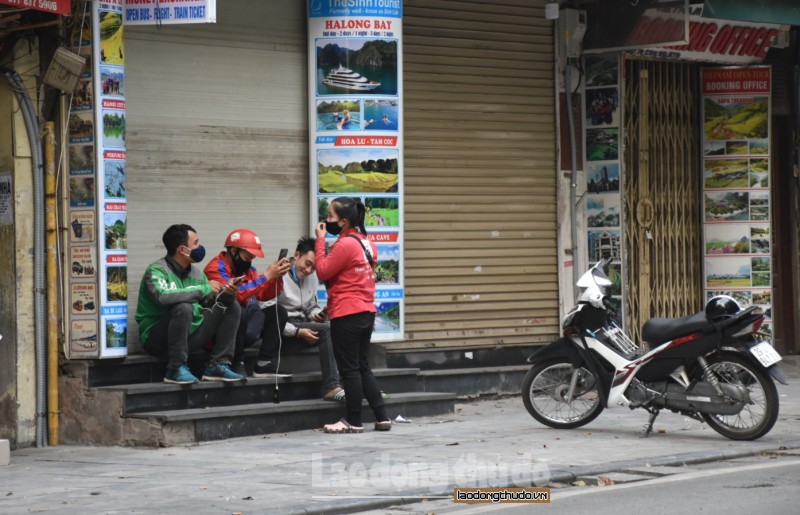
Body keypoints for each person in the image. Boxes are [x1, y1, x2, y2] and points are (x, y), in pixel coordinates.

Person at [315, 197, 391, 433]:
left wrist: (320, 241)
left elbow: (323, 271)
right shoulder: (367, 243)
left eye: (330, 217)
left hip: (348, 315)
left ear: (344, 221)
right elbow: (352, 280)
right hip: (365, 311)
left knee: (349, 370)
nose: (327, 221)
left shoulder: (345, 244)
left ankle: (353, 421)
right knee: (362, 366)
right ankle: (382, 416)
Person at [135, 224, 244, 384]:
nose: (200, 247)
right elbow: (162, 297)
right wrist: (203, 289)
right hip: (156, 339)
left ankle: (218, 365)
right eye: (196, 243)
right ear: (182, 249)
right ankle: (175, 368)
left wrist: (226, 294)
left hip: (188, 337)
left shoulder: (197, 274)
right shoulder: (157, 271)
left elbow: (207, 303)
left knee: (232, 306)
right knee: (183, 307)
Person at [264, 236, 344, 401]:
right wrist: (297, 332)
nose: (308, 271)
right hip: (282, 332)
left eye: (314, 268)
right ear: (297, 255)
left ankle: (348, 381)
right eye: (307, 264)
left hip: (303, 325)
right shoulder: (277, 274)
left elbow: (310, 306)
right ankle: (332, 386)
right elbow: (268, 316)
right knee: (327, 330)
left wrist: (318, 315)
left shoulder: (312, 278)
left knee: (335, 325)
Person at [204, 228, 292, 377]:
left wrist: (276, 277)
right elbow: (235, 295)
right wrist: (266, 275)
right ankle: (237, 362)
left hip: (243, 330)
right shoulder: (215, 267)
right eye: (247, 256)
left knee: (279, 311)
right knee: (238, 308)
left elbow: (264, 295)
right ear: (233, 251)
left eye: (252, 257)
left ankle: (263, 364)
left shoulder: (248, 269)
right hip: (217, 334)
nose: (250, 261)